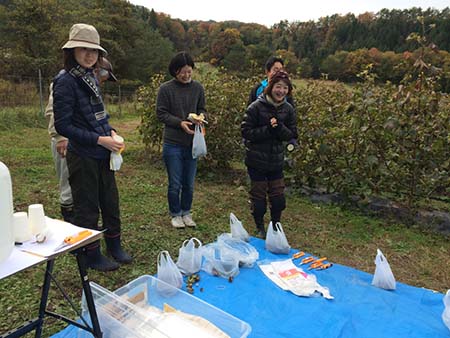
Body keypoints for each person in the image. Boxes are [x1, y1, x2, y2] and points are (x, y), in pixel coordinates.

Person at [53, 23, 132, 271]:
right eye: (84, 49)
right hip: (83, 154)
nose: (90, 55)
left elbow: (99, 115)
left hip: (102, 152)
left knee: (110, 201)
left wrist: (110, 131)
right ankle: (90, 253)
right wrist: (100, 140)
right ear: (72, 50)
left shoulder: (91, 77)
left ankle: (114, 245)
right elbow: (63, 125)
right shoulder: (65, 81)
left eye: (94, 51)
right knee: (86, 207)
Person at [45, 58, 117, 224]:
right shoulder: (66, 81)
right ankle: (70, 220)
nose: (103, 82)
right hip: (66, 141)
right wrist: (60, 138)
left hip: (85, 142)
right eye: (104, 77)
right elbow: (54, 112)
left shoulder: (91, 86)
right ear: (98, 70)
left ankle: (82, 223)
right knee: (68, 184)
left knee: (83, 187)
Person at [241, 70, 298, 237]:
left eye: (285, 88)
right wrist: (267, 129)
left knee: (278, 199)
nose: (281, 91)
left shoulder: (288, 109)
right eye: (278, 87)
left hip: (276, 160)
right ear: (270, 87)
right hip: (256, 160)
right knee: (258, 198)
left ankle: (275, 226)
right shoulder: (255, 107)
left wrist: (279, 127)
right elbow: (246, 132)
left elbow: (292, 134)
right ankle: (260, 227)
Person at [156, 51, 206, 228]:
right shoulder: (166, 89)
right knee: (175, 183)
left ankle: (186, 212)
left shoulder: (198, 88)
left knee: (189, 183)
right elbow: (161, 113)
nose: (186, 76)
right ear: (175, 71)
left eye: (189, 72)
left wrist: (200, 118)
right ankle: (175, 214)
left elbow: (202, 108)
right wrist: (180, 123)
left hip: (192, 142)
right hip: (173, 143)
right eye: (182, 72)